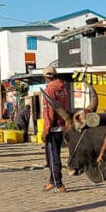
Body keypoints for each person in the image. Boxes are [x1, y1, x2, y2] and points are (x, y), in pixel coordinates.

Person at [41, 64, 70, 192]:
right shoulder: (63, 88)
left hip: (53, 128)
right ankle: (52, 180)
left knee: (52, 157)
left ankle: (58, 183)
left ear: (45, 77)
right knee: (55, 155)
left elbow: (49, 113)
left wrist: (45, 130)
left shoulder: (49, 90)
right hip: (62, 126)